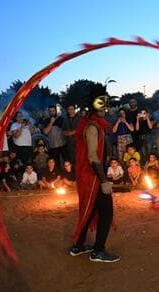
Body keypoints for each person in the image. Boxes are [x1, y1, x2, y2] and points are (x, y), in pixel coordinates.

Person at [70, 89, 120, 263]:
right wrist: (104, 180)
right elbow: (92, 155)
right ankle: (98, 251)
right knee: (106, 209)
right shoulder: (92, 126)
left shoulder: (91, 123)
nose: (106, 108)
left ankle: (78, 245)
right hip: (91, 176)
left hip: (89, 174)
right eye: (103, 105)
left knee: (90, 208)